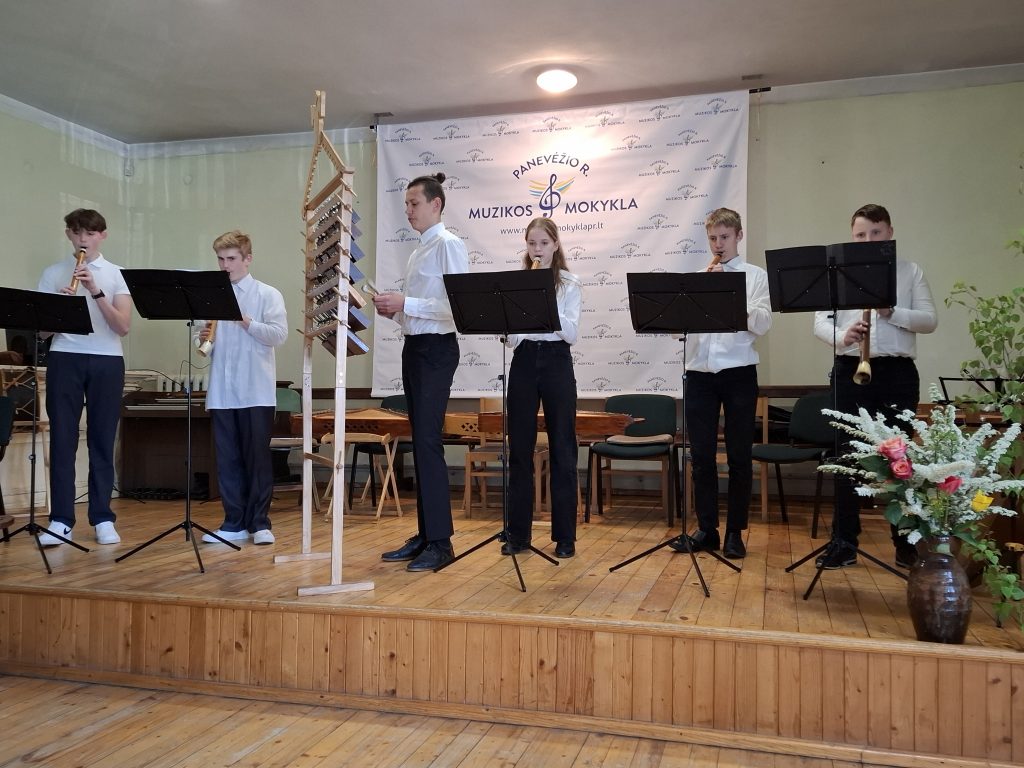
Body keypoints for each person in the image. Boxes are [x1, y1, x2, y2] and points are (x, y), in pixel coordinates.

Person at [813, 203, 937, 569]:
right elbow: (819, 322)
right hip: (850, 368)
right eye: (860, 235)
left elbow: (929, 320)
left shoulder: (909, 271)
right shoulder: (838, 273)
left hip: (897, 373)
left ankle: (905, 541)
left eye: (876, 233)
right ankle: (844, 541)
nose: (868, 240)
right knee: (847, 457)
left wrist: (891, 312)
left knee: (899, 457)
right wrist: (843, 336)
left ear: (890, 233)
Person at [373, 173, 469, 572]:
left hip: (436, 351)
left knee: (428, 443)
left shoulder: (449, 245)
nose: (408, 210)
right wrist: (396, 312)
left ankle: (441, 542)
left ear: (436, 204)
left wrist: (405, 303)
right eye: (406, 204)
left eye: (414, 203)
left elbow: (458, 308)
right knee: (420, 440)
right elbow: (418, 312)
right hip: (415, 347)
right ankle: (427, 534)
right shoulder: (418, 252)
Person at [670, 207, 772, 559]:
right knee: (701, 456)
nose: (718, 244)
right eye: (713, 238)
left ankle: (734, 533)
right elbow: (683, 328)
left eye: (725, 237)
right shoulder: (699, 278)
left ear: (738, 236)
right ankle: (707, 529)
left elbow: (762, 323)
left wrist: (727, 292)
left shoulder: (754, 276)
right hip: (700, 374)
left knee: (739, 455)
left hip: (739, 373)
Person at [37, 209, 133, 546]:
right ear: (68, 234)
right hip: (65, 357)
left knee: (102, 439)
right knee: (63, 439)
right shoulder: (53, 273)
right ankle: (61, 520)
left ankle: (103, 518)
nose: (83, 239)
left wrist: (95, 290)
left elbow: (122, 326)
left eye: (90, 234)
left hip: (107, 360)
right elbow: (41, 333)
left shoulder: (117, 274)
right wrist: (60, 311)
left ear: (102, 236)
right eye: (77, 232)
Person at [199, 230, 288, 546]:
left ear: (247, 259)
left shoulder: (267, 294)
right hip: (222, 392)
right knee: (228, 460)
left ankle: (260, 523)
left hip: (255, 390)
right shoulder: (211, 295)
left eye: (231, 259)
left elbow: (279, 335)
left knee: (257, 459)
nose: (225, 265)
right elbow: (202, 340)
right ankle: (233, 522)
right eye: (220, 259)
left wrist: (246, 322)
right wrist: (203, 337)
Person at [502, 218, 582, 559]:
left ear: (555, 245)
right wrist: (509, 321)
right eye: (532, 243)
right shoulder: (517, 283)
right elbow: (512, 340)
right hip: (523, 360)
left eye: (544, 243)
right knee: (520, 450)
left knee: (563, 447)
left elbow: (571, 333)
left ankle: (565, 537)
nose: (537, 250)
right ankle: (518, 534)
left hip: (556, 361)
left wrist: (544, 301)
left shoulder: (569, 283)